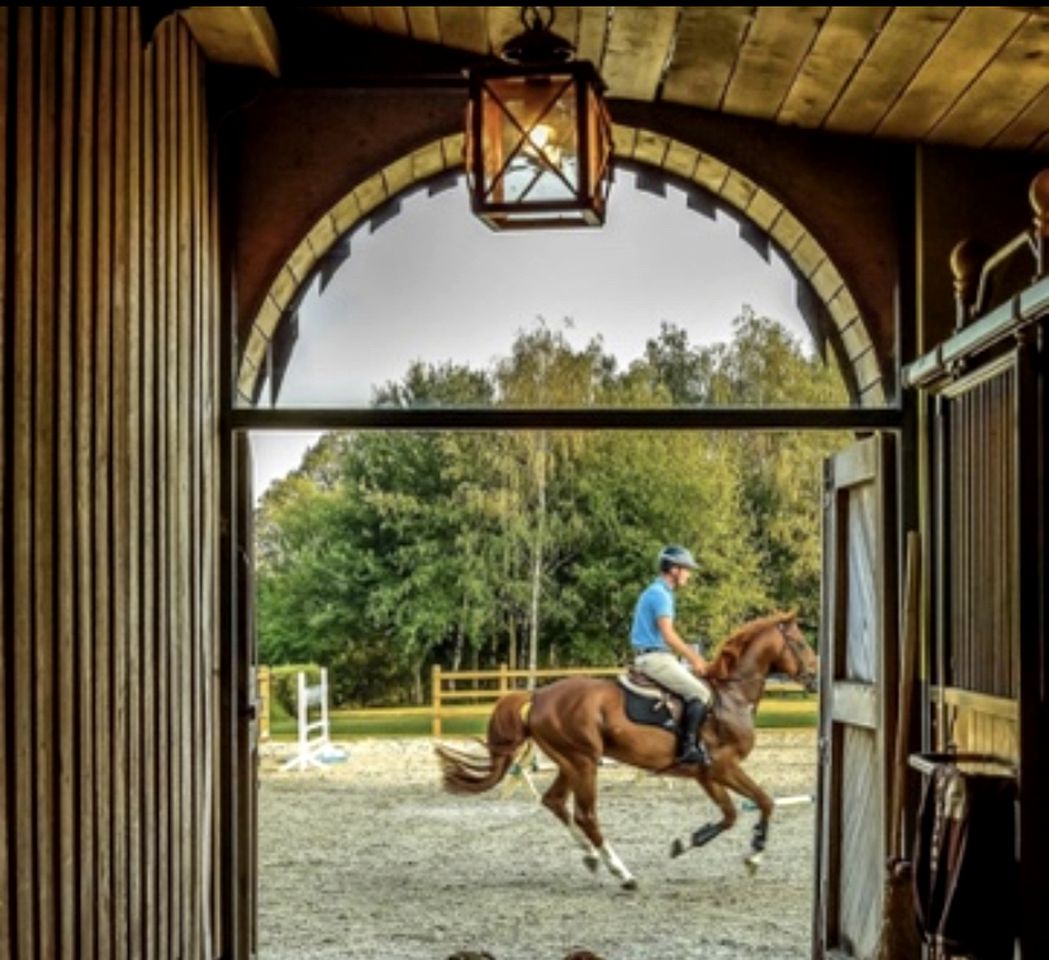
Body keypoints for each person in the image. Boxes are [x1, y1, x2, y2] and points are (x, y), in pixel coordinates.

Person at [630, 545, 713, 766]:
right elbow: (668, 634)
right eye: (686, 569)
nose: (689, 574)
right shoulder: (660, 595)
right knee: (700, 692)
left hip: (655, 656)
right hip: (655, 658)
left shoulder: (657, 592)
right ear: (674, 569)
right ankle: (688, 747)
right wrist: (694, 658)